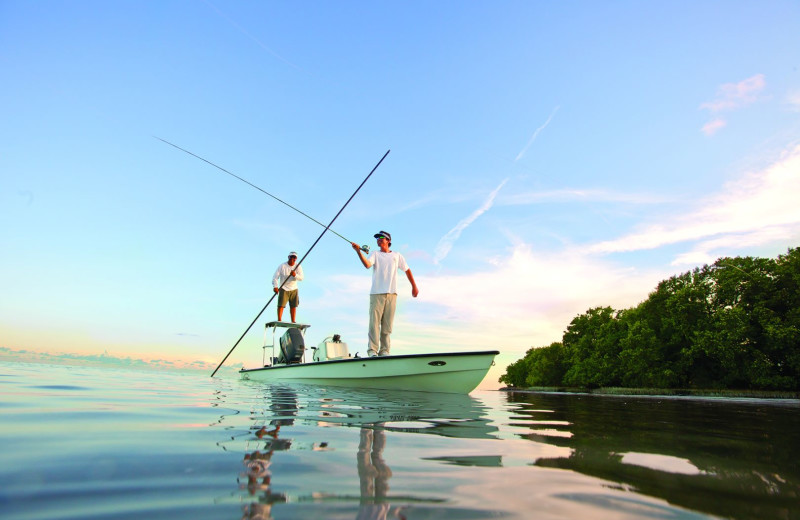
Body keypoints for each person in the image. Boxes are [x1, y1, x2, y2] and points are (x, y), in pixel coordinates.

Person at [351, 231, 419, 357]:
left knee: (387, 325)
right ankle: (372, 350)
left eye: (381, 237)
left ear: (388, 240)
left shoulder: (397, 255)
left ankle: (385, 351)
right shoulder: (375, 254)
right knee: (374, 324)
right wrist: (358, 252)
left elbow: (407, 270)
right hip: (376, 293)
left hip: (392, 294)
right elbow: (367, 265)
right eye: (377, 238)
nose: (379, 240)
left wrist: (414, 286)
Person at [272, 252, 304, 323]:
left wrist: (295, 275)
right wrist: (275, 286)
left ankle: (293, 320)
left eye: (294, 257)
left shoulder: (298, 266)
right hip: (284, 288)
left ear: (296, 259)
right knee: (281, 305)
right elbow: (275, 277)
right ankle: (279, 319)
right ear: (288, 257)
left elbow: (301, 278)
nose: (292, 259)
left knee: (293, 305)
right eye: (291, 257)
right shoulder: (282, 266)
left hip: (294, 288)